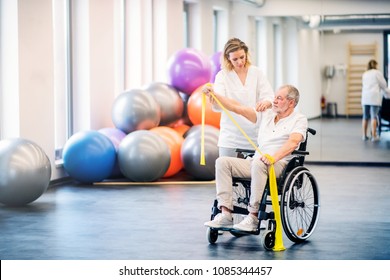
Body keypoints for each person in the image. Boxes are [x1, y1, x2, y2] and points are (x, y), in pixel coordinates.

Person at [203, 84, 308, 232]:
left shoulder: (299, 119)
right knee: (222, 162)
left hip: (280, 165)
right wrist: (214, 95)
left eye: (279, 98)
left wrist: (272, 158)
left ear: (291, 102)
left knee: (259, 163)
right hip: (257, 162)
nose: (274, 101)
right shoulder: (267, 113)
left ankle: (253, 216)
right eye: (274, 98)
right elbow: (238, 108)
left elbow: (293, 142)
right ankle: (226, 213)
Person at [205, 38, 274, 157]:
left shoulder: (256, 73)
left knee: (252, 172)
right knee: (227, 171)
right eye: (235, 59)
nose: (240, 62)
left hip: (255, 134)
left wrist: (267, 102)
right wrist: (212, 95)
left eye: (242, 57)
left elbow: (269, 95)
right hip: (231, 137)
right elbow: (219, 103)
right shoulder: (222, 76)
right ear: (228, 59)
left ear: (246, 54)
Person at [361, 59, 390, 142]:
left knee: (365, 116)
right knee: (374, 117)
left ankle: (364, 135)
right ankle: (374, 136)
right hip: (374, 97)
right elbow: (384, 85)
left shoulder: (365, 74)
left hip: (365, 97)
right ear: (375, 65)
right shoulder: (377, 73)